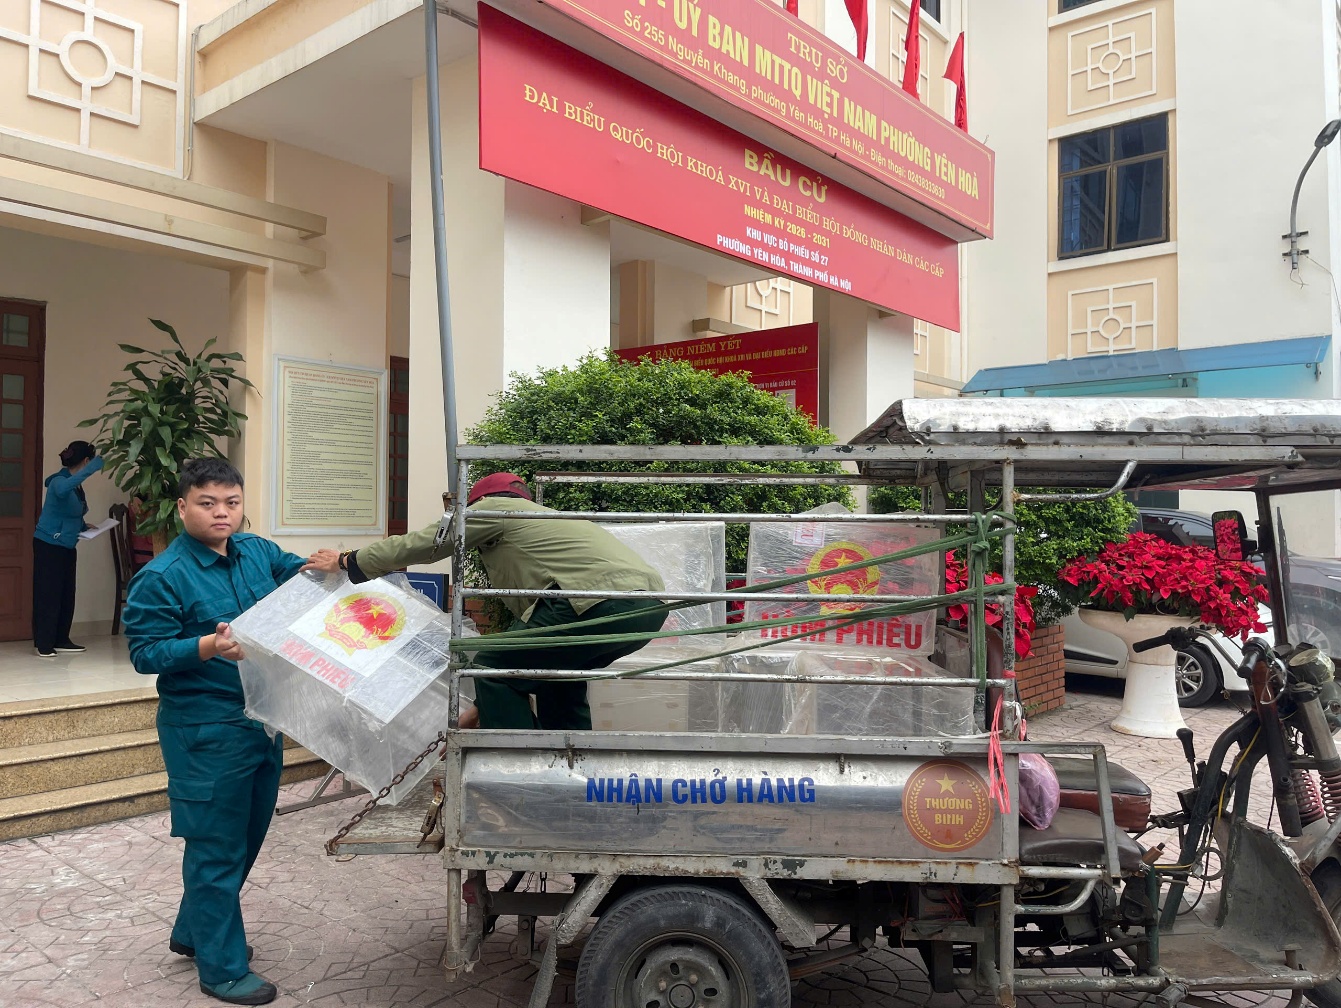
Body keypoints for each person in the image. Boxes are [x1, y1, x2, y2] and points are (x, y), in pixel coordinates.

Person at [123, 458, 306, 1006]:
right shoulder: (161, 577)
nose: (221, 513)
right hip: (206, 730)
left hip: (261, 720)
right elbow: (145, 653)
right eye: (207, 503)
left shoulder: (257, 552)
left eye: (231, 501)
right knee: (215, 847)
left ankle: (194, 931)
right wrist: (207, 645)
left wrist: (339, 566)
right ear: (182, 507)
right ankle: (222, 970)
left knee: (246, 836)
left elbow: (300, 572)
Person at [306, 472, 667, 730]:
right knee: (555, 679)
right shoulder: (546, 523)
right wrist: (482, 708)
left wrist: (348, 560)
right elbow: (528, 625)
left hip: (593, 601)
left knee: (491, 664)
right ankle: (572, 778)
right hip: (645, 609)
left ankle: (517, 776)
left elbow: (429, 541)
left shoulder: (496, 511)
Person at [32, 440, 104, 657]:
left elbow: (70, 512)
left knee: (66, 593)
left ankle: (62, 638)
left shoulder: (76, 486)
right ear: (85, 461)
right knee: (48, 594)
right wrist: (93, 467)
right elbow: (63, 491)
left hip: (67, 544)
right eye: (88, 463)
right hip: (49, 544)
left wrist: (83, 526)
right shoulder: (59, 481)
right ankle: (43, 643)